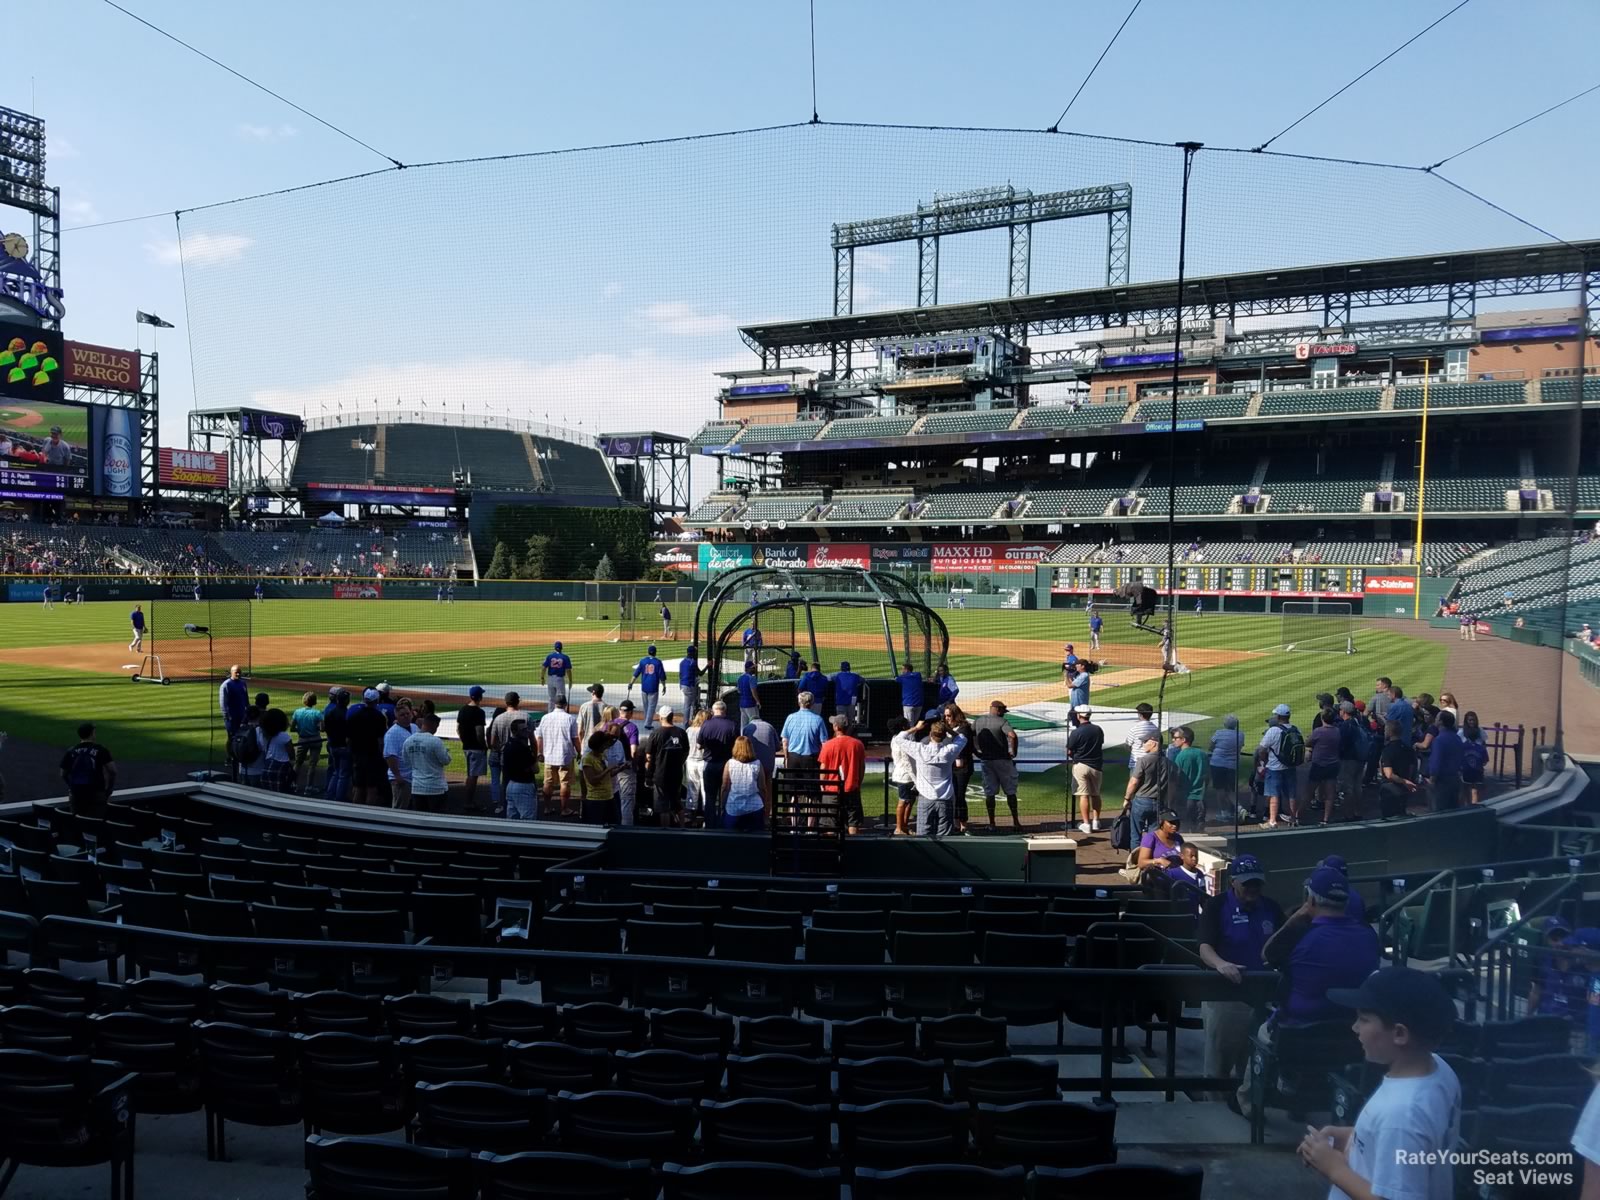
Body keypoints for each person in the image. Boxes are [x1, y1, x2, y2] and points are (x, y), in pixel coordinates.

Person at [1298, 968, 1462, 1200]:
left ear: (1399, 1034)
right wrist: (1352, 1136)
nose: (1355, 1028)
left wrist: (1334, 1168)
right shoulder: (1439, 1069)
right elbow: (1414, 1138)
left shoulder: (1401, 1114)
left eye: (1364, 1020)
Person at [1235, 865, 1381, 1115]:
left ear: (1310, 899)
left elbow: (1267, 955)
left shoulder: (1304, 936)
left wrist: (1299, 915)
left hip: (1297, 1034)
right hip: (1350, 1032)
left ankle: (1247, 1102)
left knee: (1261, 1025)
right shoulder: (1369, 937)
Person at [1198, 854, 1283, 1102]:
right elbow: (1204, 947)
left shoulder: (1271, 908)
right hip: (1225, 993)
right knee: (1220, 1056)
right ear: (1233, 882)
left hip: (1263, 993)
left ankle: (1246, 1107)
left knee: (1253, 1057)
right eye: (1247, 883)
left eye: (1257, 883)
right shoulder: (1216, 906)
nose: (1252, 888)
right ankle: (1212, 1109)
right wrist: (1221, 964)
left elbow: (1283, 942)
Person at [896, 718, 967, 840]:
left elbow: (899, 738)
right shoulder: (949, 751)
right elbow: (962, 738)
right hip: (945, 798)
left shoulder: (920, 749)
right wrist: (949, 729)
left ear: (930, 734)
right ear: (944, 736)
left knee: (923, 836)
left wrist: (916, 728)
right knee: (945, 836)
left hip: (926, 798)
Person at [972, 699, 1021, 831]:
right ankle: (1016, 822)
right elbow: (1013, 736)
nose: (1004, 714)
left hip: (986, 761)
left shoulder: (978, 721)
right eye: (1003, 711)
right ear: (998, 710)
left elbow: (968, 736)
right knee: (1010, 791)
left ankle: (992, 823)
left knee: (990, 793)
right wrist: (1013, 752)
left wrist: (976, 752)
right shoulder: (1002, 721)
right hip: (1003, 760)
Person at [817, 714, 866, 833]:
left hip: (832, 789)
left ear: (835, 727)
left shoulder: (828, 745)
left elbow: (823, 769)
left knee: (830, 824)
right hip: (851, 788)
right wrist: (858, 783)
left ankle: (832, 849)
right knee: (852, 822)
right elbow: (862, 768)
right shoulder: (858, 744)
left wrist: (822, 785)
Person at [641, 707, 690, 825]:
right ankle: (682, 828)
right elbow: (686, 752)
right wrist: (679, 763)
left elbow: (649, 756)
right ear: (672, 716)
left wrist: (648, 774)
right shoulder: (681, 732)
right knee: (677, 803)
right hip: (677, 774)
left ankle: (666, 831)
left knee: (663, 807)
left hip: (660, 774)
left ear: (661, 717)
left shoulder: (656, 733)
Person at [1257, 703, 1302, 829]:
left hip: (1274, 768)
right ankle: (1294, 819)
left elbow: (1261, 749)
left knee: (1274, 794)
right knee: (1292, 794)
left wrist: (1264, 761)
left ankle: (1272, 821)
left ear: (1278, 716)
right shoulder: (1295, 729)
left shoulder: (1273, 731)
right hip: (1290, 767)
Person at [60, 722, 116, 817]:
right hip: (96, 792)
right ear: (92, 734)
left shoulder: (71, 751)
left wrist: (71, 787)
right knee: (95, 824)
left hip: (76, 793)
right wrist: (108, 790)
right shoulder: (101, 749)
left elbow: (63, 774)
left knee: (78, 824)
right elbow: (113, 771)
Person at [535, 696, 578, 816]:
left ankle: (547, 808)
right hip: (565, 756)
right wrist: (580, 752)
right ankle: (564, 809)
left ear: (555, 704)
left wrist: (539, 752)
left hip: (549, 755)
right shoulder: (570, 718)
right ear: (565, 705)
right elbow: (575, 739)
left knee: (547, 782)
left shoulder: (545, 718)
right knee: (565, 783)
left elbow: (539, 737)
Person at [403, 711, 453, 813]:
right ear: (434, 725)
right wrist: (447, 753)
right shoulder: (435, 741)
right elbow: (445, 760)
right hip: (436, 788)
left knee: (420, 819)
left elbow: (406, 761)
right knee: (438, 819)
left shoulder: (408, 741)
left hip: (417, 788)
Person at [697, 701, 739, 822]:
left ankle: (710, 822)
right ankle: (724, 820)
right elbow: (737, 747)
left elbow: (699, 745)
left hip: (710, 764)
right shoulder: (732, 725)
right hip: (726, 764)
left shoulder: (706, 724)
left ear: (713, 710)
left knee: (710, 795)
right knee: (726, 793)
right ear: (725, 710)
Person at [1066, 707, 1105, 836]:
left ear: (1078, 716)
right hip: (1096, 766)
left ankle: (1086, 824)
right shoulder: (1098, 729)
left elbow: (1069, 750)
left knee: (1083, 795)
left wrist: (1074, 757)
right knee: (1095, 794)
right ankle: (1096, 821)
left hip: (1081, 765)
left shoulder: (1076, 732)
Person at [1124, 731, 1170, 839]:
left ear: (1154, 743)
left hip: (1142, 801)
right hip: (1159, 801)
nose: (1143, 744)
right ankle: (1150, 855)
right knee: (1153, 835)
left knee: (1135, 835)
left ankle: (1136, 855)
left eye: (1145, 741)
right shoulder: (1168, 762)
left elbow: (1133, 782)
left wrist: (1126, 798)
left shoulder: (1144, 760)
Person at [486, 692, 525, 817]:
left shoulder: (493, 724)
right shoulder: (509, 721)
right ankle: (507, 803)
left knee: (495, 780)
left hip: (493, 755)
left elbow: (491, 743)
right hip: (504, 755)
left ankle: (497, 802)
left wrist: (496, 748)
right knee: (506, 780)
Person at [720, 736, 772, 832]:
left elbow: (724, 787)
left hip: (734, 807)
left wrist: (722, 805)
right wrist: (765, 804)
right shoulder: (757, 764)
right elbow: (763, 787)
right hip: (755, 807)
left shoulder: (729, 763)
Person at [780, 691, 829, 785]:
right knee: (811, 791)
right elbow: (824, 743)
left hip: (793, 758)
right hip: (811, 759)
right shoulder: (818, 719)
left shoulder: (790, 718)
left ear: (799, 703)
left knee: (792, 791)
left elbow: (785, 741)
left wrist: (786, 758)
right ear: (812, 703)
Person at [1377, 720, 1420, 818]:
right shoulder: (1408, 749)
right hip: (1404, 789)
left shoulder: (1388, 750)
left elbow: (1389, 774)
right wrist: (1409, 781)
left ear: (1389, 731)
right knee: (1401, 815)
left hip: (1389, 789)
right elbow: (1413, 767)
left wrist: (1404, 781)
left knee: (1389, 818)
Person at [944, 704, 975, 835]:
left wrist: (960, 757)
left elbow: (963, 745)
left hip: (963, 767)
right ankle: (956, 822)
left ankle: (963, 823)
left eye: (949, 716)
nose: (947, 718)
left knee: (960, 795)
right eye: (945, 716)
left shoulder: (964, 728)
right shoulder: (950, 728)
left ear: (956, 715)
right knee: (954, 795)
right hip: (951, 767)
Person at [1425, 709, 1464, 812]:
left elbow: (1435, 761)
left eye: (1437, 718)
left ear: (1441, 722)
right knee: (1452, 811)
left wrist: (1432, 779)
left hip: (1441, 782)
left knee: (1437, 812)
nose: (1435, 720)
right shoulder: (1457, 738)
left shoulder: (1439, 740)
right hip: (1455, 779)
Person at [457, 686, 488, 812]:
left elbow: (458, 729)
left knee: (471, 774)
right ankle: (468, 803)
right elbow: (480, 732)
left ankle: (469, 801)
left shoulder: (463, 710)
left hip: (466, 746)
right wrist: (484, 746)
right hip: (476, 748)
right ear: (480, 697)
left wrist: (464, 740)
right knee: (473, 776)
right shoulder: (479, 712)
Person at [578, 730, 619, 825]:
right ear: (599, 745)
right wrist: (607, 770)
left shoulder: (602, 755)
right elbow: (592, 780)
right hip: (596, 800)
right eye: (604, 744)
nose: (606, 747)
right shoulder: (587, 759)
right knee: (597, 826)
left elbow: (609, 775)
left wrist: (621, 768)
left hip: (609, 796)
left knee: (614, 824)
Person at [1207, 715, 1244, 823]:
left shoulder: (1219, 733)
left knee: (1220, 789)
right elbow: (1239, 748)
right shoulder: (1240, 734)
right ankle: (1238, 808)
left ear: (1225, 724)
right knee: (1230, 790)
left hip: (1217, 764)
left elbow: (1210, 747)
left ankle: (1224, 812)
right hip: (1232, 765)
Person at [1308, 710, 1342, 825]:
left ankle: (1296, 817)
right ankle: (1325, 819)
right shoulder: (1337, 731)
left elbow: (1307, 742)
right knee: (1330, 794)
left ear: (1322, 719)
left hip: (1318, 765)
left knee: (1309, 792)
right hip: (1333, 765)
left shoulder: (1318, 731)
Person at [1170, 726, 1208, 828]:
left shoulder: (1181, 756)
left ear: (1184, 740)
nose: (1173, 740)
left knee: (1186, 829)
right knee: (1200, 828)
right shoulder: (1202, 754)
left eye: (1175, 737)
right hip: (1201, 798)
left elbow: (1176, 778)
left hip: (1186, 799)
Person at [383, 699, 418, 810]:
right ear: (396, 717)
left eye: (408, 713)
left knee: (412, 807)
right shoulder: (392, 733)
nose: (406, 716)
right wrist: (398, 776)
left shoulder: (414, 727)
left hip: (414, 776)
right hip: (402, 777)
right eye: (402, 715)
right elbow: (390, 756)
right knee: (400, 808)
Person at [610, 702, 641, 824]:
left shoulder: (609, 724)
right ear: (630, 713)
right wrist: (635, 764)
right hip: (626, 767)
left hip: (610, 767)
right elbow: (634, 751)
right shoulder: (632, 727)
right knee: (627, 800)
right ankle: (626, 829)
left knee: (611, 797)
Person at [887, 716, 917, 836]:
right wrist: (915, 778)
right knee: (903, 801)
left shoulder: (896, 739)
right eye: (907, 724)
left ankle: (904, 826)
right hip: (904, 775)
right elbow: (907, 761)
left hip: (908, 775)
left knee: (910, 801)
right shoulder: (900, 741)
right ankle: (899, 828)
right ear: (903, 727)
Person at [321, 687, 352, 803]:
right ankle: (339, 799)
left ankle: (329, 795)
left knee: (336, 772)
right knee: (343, 775)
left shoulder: (330, 713)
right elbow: (349, 735)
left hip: (332, 745)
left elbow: (324, 728)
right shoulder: (347, 714)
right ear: (346, 701)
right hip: (343, 747)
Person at [290, 692, 324, 793]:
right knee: (312, 765)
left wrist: (300, 729)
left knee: (298, 763)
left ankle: (294, 784)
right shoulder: (317, 713)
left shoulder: (297, 712)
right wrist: (316, 728)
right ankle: (309, 787)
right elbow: (322, 728)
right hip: (315, 739)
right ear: (314, 701)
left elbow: (292, 728)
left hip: (302, 740)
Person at [219, 664, 249, 777]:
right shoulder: (226, 685)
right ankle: (229, 757)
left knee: (242, 737)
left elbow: (246, 699)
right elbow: (223, 702)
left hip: (242, 715)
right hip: (231, 717)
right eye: (236, 672)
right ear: (231, 672)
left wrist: (248, 711)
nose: (238, 674)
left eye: (239, 672)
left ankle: (238, 756)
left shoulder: (243, 683)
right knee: (231, 737)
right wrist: (227, 716)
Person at [1135, 810, 1184, 874]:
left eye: (1176, 822)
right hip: (1158, 876)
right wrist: (1159, 861)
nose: (1175, 825)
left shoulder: (1178, 838)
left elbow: (1184, 857)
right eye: (1171, 822)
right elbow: (1141, 863)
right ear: (1161, 823)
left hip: (1177, 875)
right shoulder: (1150, 838)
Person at [630, 644, 666, 729]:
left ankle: (647, 720)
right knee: (652, 706)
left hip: (644, 687)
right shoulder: (658, 662)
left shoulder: (643, 661)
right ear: (655, 653)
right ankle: (648, 723)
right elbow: (662, 676)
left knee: (646, 706)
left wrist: (631, 683)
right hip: (653, 687)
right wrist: (664, 686)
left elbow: (636, 674)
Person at [234, 706, 267, 789]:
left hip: (242, 771)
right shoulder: (259, 731)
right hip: (257, 772)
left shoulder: (241, 729)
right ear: (259, 716)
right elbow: (264, 748)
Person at [741, 712, 779, 781]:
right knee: (768, 781)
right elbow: (778, 747)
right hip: (768, 763)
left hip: (752, 764)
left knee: (753, 782)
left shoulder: (746, 728)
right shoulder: (770, 726)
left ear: (750, 721)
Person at [1459, 711, 1487, 804]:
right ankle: (1467, 805)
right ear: (1466, 721)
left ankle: (1474, 806)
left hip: (1477, 764)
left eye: (1474, 720)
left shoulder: (1480, 731)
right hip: (1465, 765)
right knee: (1465, 787)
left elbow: (1483, 746)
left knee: (1476, 788)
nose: (1472, 722)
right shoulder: (1461, 732)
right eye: (1470, 720)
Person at [832, 660, 865, 732]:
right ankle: (848, 736)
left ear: (841, 668)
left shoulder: (837, 676)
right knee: (850, 722)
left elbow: (829, 679)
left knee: (840, 722)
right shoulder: (855, 676)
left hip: (840, 702)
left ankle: (841, 737)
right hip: (851, 703)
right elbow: (863, 680)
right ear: (849, 668)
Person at [1125, 702, 1157, 769]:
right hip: (1151, 763)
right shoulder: (1156, 729)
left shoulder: (1134, 729)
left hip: (1136, 764)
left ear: (1140, 715)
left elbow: (1128, 745)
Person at [540, 642, 572, 709]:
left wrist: (542, 678)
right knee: (560, 698)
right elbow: (568, 670)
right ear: (561, 648)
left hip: (550, 679)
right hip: (559, 680)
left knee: (551, 698)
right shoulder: (565, 657)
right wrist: (570, 680)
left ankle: (550, 714)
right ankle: (561, 714)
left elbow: (543, 668)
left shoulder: (549, 656)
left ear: (554, 648)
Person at [575, 683, 606, 751]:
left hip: (587, 745)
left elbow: (580, 730)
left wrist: (581, 745)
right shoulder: (607, 708)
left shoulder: (584, 706)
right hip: (601, 745)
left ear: (593, 693)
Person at [736, 660, 761, 727]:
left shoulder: (740, 678)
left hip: (742, 704)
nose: (754, 669)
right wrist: (758, 701)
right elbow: (753, 691)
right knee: (755, 723)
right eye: (753, 668)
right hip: (751, 704)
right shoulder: (752, 678)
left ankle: (742, 737)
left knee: (743, 724)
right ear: (748, 669)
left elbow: (738, 691)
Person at [678, 646, 702, 719]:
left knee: (689, 703)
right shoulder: (692, 662)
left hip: (683, 685)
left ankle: (691, 719)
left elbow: (680, 675)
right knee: (689, 705)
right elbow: (700, 673)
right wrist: (708, 665)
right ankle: (687, 723)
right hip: (689, 686)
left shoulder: (682, 662)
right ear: (693, 653)